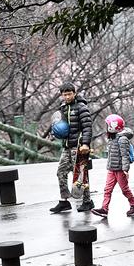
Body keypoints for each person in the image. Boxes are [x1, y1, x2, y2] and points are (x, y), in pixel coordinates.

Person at [49, 82, 94, 213]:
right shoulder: (62, 108)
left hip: (79, 146)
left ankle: (87, 201)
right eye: (65, 94)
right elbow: (59, 124)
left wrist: (85, 143)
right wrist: (54, 133)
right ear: (62, 95)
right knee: (61, 172)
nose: (67, 97)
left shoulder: (81, 107)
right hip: (67, 146)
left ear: (74, 93)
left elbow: (87, 127)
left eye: (69, 94)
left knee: (81, 174)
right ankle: (64, 201)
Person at [91, 114, 134, 217]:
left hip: (120, 170)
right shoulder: (112, 138)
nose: (106, 127)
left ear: (113, 126)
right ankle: (104, 209)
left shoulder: (122, 139)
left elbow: (125, 155)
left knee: (125, 190)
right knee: (107, 189)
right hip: (112, 169)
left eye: (107, 125)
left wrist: (126, 170)